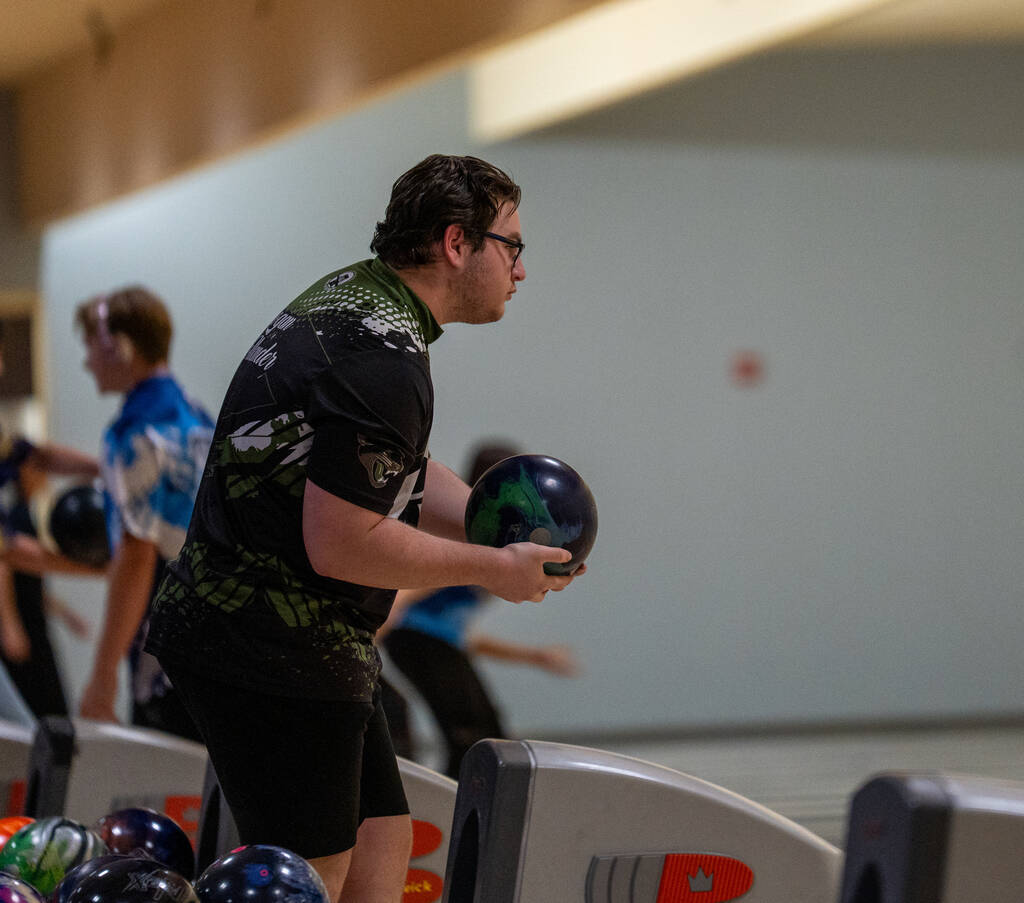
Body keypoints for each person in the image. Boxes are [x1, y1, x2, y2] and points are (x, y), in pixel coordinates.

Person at [144, 154, 586, 903]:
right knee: (312, 878)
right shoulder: (384, 357)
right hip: (269, 641)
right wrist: (492, 569)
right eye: (511, 245)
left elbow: (385, 467)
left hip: (288, 635)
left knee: (384, 841)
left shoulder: (360, 301)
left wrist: (496, 521)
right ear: (457, 243)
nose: (521, 269)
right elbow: (343, 541)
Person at [379, 441, 581, 778]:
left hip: (426, 641)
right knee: (472, 738)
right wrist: (369, 635)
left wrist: (534, 656)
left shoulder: (493, 544)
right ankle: (451, 800)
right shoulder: (468, 538)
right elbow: (407, 595)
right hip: (412, 639)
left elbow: (460, 637)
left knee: (488, 734)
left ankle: (460, 796)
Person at [74, 287, 214, 740]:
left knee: (166, 778)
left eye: (91, 345)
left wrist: (102, 677)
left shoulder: (133, 433)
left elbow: (137, 556)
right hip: (221, 638)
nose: (87, 361)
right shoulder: (196, 415)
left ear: (120, 346)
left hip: (166, 652)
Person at [0, 457, 92, 718]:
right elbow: (4, 565)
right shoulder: (16, 517)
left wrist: (66, 614)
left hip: (33, 620)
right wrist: (10, 625)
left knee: (51, 705)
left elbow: (31, 585)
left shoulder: (32, 513)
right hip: (21, 622)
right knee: (33, 708)